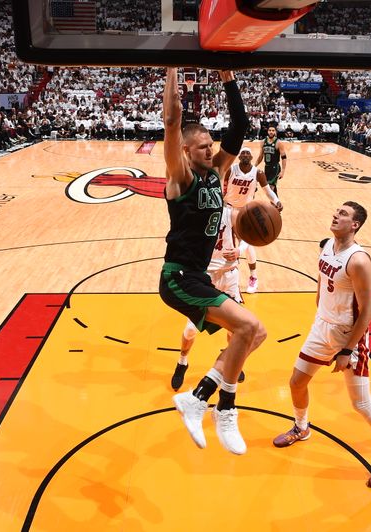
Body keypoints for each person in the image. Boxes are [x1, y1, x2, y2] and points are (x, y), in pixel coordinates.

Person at [161, 68, 265, 455]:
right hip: (177, 278)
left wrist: (229, 78)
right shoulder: (181, 177)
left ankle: (203, 397)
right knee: (249, 325)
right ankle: (222, 406)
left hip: (199, 277)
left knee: (255, 334)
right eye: (202, 145)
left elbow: (239, 125)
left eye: (210, 144)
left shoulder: (218, 171)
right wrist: (172, 68)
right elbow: (172, 121)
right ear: (186, 151)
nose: (211, 149)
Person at [272, 201, 371, 489]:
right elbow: (322, 283)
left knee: (361, 403)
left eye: (343, 214)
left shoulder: (358, 260)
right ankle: (302, 427)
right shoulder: (326, 246)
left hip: (349, 336)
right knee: (296, 382)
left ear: (355, 224)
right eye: (336, 211)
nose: (336, 214)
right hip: (322, 328)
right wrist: (320, 308)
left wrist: (347, 350)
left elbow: (368, 311)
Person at [171, 204, 246, 390]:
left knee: (235, 328)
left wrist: (239, 251)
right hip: (205, 277)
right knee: (191, 329)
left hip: (229, 275)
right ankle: (182, 362)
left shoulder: (231, 213)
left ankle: (231, 358)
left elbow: (248, 237)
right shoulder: (194, 212)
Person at [224, 146, 282, 293]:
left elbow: (268, 192)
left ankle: (253, 277)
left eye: (247, 153)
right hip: (227, 209)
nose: (244, 155)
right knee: (222, 242)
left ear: (251, 157)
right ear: (239, 156)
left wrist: (276, 201)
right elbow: (221, 188)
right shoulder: (231, 170)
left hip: (245, 211)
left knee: (248, 245)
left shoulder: (258, 173)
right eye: (242, 152)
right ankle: (223, 275)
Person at [255, 125, 288, 196]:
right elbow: (261, 156)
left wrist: (283, 171)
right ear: (267, 131)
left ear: (275, 132)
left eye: (273, 130)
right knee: (271, 188)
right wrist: (254, 166)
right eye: (270, 130)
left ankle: (272, 205)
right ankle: (277, 203)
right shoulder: (263, 142)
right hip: (267, 167)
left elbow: (284, 157)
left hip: (275, 168)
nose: (271, 132)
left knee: (270, 188)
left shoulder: (279, 143)